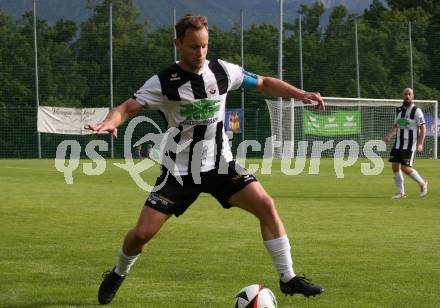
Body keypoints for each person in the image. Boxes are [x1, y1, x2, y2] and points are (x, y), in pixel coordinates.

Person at [86, 14, 325, 305]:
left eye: (204, 46)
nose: (199, 53)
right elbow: (128, 106)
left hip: (220, 165)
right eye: (192, 47)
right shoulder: (164, 81)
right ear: (178, 45)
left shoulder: (222, 71)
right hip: (179, 172)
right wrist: (112, 122)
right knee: (141, 235)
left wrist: (300, 94)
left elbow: (263, 83)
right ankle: (118, 272)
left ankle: (288, 278)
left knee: (265, 204)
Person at [384, 87, 428, 199]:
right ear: (403, 96)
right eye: (405, 94)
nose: (407, 96)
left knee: (404, 167)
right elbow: (395, 126)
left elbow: (423, 128)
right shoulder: (398, 110)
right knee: (395, 166)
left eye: (409, 94)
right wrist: (389, 136)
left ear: (413, 96)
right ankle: (401, 193)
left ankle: (422, 183)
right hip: (398, 143)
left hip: (410, 144)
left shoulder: (416, 111)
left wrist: (420, 143)